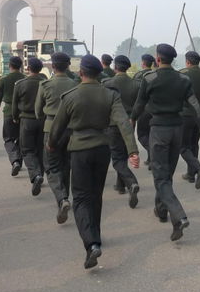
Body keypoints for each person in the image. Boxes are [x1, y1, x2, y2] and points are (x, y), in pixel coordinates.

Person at [47, 54, 139, 269]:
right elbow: (123, 122)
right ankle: (96, 234)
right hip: (102, 149)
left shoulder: (71, 96)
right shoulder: (110, 95)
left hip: (79, 150)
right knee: (96, 195)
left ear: (81, 73)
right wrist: (132, 150)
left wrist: (51, 144)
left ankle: (91, 243)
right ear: (100, 73)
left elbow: (58, 126)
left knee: (80, 197)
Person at [131, 44, 200, 241]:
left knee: (160, 177)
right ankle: (161, 210)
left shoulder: (149, 78)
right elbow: (196, 107)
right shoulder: (183, 79)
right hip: (177, 129)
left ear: (158, 59)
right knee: (166, 173)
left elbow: (139, 104)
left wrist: (131, 121)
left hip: (159, 130)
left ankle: (179, 216)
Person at [35, 52, 77, 223]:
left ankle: (62, 198)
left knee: (51, 166)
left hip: (51, 128)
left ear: (52, 66)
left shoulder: (45, 85)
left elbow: (38, 111)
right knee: (66, 163)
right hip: (70, 129)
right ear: (68, 66)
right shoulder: (75, 84)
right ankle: (65, 195)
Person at [102, 55, 141, 208]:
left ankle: (130, 182)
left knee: (117, 158)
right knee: (124, 153)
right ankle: (120, 185)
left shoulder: (107, 83)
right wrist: (133, 117)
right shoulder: (136, 84)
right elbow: (140, 104)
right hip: (130, 122)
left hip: (112, 124)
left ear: (115, 67)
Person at [12, 58, 46, 196]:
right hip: (42, 119)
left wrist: (15, 117)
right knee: (40, 148)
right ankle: (40, 174)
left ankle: (35, 174)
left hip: (26, 120)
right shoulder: (44, 83)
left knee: (27, 150)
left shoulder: (20, 84)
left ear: (28, 68)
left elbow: (15, 104)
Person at [179, 51, 200, 189]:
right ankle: (191, 174)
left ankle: (197, 169)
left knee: (183, 146)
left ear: (187, 62)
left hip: (186, 113)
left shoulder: (182, 74)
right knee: (194, 144)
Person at [0, 56, 25, 176]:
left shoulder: (4, 80)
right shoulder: (25, 79)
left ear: (9, 65)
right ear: (21, 66)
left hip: (8, 111)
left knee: (8, 138)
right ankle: (19, 161)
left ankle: (15, 161)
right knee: (20, 138)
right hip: (23, 112)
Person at [132, 54, 155, 168]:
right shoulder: (156, 75)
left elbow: (135, 95)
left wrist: (133, 114)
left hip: (143, 110)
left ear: (143, 63)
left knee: (142, 135)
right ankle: (151, 159)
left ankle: (152, 155)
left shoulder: (138, 75)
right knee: (150, 134)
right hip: (154, 109)